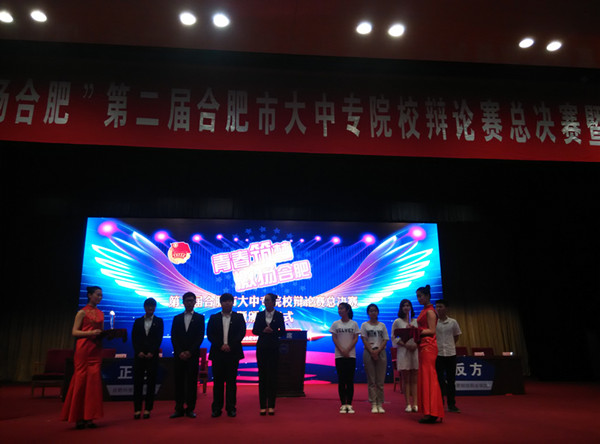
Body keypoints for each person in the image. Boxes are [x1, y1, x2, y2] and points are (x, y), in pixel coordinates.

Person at [61, 286, 104, 429]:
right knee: (81, 381)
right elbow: (74, 332)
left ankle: (90, 417)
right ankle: (78, 417)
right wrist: (90, 333)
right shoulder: (82, 312)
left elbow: (101, 332)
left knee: (93, 383)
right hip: (83, 350)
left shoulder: (101, 314)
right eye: (97, 295)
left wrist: (107, 334)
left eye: (101, 295)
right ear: (90, 295)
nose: (100, 297)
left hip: (95, 350)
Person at [207, 293, 247, 418]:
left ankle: (231, 408)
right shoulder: (214, 318)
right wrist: (221, 345)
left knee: (231, 382)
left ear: (233, 303)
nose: (227, 303)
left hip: (233, 353)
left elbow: (241, 333)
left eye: (229, 301)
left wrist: (230, 345)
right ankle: (216, 408)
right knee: (218, 382)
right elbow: (210, 335)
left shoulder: (239, 317)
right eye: (225, 301)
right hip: (218, 353)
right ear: (221, 303)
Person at [170, 291, 205, 418]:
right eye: (187, 301)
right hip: (179, 356)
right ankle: (178, 408)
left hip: (192, 355)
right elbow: (174, 337)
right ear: (183, 302)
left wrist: (190, 351)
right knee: (179, 382)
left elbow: (199, 337)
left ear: (195, 302)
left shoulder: (200, 318)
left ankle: (190, 408)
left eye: (191, 300)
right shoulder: (177, 318)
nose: (189, 303)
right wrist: (180, 352)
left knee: (191, 382)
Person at [252, 293, 286, 416]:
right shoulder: (259, 315)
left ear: (273, 302)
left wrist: (273, 331)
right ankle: (262, 405)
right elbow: (255, 330)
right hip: (262, 348)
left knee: (272, 377)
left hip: (273, 348)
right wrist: (263, 331)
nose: (265, 302)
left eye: (267, 300)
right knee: (262, 376)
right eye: (264, 300)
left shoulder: (279, 315)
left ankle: (271, 405)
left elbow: (283, 332)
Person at [416, 285, 444, 424]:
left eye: (420, 296)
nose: (419, 299)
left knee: (429, 378)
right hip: (423, 346)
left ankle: (432, 412)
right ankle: (429, 411)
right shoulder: (425, 310)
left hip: (429, 346)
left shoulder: (431, 312)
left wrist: (417, 331)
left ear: (427, 296)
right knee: (426, 377)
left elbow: (432, 330)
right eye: (417, 296)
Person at [131, 297, 164, 419]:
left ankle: (148, 409)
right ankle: (137, 409)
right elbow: (134, 338)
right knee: (138, 383)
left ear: (155, 307)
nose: (150, 308)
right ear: (144, 307)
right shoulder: (138, 321)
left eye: (153, 306)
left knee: (151, 383)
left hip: (152, 357)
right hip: (139, 356)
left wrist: (152, 352)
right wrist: (138, 351)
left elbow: (158, 338)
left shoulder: (159, 321)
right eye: (148, 306)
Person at [329, 302, 360, 414]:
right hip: (339, 355)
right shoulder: (335, 324)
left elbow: (356, 338)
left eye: (342, 308)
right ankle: (343, 404)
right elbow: (334, 338)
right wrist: (342, 349)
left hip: (351, 355)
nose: (339, 311)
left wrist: (348, 349)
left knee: (350, 380)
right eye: (339, 309)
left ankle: (349, 404)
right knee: (341, 380)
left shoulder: (354, 324)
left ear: (347, 310)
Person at [391, 298, 419, 413]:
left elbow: (420, 336)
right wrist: (405, 345)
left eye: (408, 305)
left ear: (411, 307)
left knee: (415, 380)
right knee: (406, 379)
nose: (406, 307)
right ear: (401, 308)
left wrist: (416, 344)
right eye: (404, 305)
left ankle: (415, 404)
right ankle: (408, 404)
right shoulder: (397, 322)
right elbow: (394, 337)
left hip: (415, 351)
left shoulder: (416, 321)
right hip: (403, 351)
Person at [360, 303, 389, 413]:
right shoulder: (364, 325)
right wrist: (372, 351)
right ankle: (373, 403)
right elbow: (364, 339)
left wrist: (378, 350)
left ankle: (380, 403)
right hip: (368, 352)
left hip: (381, 352)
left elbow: (385, 339)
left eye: (375, 311)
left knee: (380, 381)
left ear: (378, 312)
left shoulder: (382, 325)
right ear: (368, 313)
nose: (373, 312)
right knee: (371, 380)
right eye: (371, 311)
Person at [435, 298, 462, 413]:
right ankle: (440, 403)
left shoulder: (453, 322)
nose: (438, 309)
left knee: (451, 380)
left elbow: (456, 336)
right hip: (438, 354)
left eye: (440, 306)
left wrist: (450, 345)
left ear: (446, 308)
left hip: (451, 354)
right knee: (439, 380)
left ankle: (452, 404)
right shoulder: (434, 322)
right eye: (437, 307)